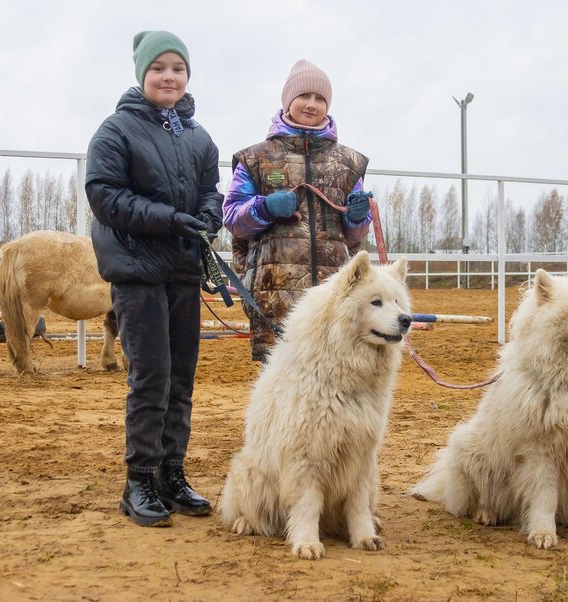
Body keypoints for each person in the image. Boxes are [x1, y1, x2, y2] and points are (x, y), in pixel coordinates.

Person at [85, 30, 222, 527]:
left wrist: (208, 218)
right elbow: (104, 195)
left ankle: (171, 473)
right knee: (151, 378)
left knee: (180, 378)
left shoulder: (199, 138)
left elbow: (211, 191)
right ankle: (139, 479)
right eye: (159, 68)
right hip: (137, 271)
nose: (169, 77)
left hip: (182, 270)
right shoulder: (116, 131)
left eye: (177, 69)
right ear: (143, 73)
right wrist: (168, 219)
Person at [223, 59, 372, 361]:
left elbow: (355, 237)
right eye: (304, 95)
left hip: (334, 295)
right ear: (288, 100)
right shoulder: (256, 159)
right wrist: (265, 208)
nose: (312, 104)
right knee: (281, 377)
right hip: (275, 291)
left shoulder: (349, 162)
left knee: (335, 373)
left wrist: (357, 217)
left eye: (320, 98)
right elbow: (233, 219)